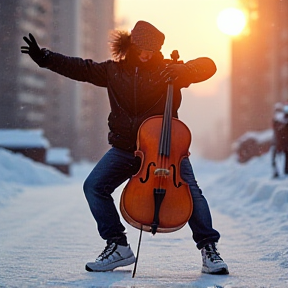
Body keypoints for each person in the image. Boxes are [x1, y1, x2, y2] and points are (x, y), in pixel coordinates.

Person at [21, 20, 229, 275]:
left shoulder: (167, 71)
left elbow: (209, 65)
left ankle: (209, 249)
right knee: (94, 186)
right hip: (125, 148)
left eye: (152, 50)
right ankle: (118, 245)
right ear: (132, 45)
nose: (146, 54)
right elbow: (80, 68)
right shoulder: (113, 71)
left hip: (165, 152)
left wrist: (184, 69)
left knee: (191, 192)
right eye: (142, 48)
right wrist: (45, 57)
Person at [272, 102, 288, 177]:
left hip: (282, 142)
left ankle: (280, 171)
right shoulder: (278, 119)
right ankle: (280, 171)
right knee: (280, 157)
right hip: (281, 142)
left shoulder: (279, 119)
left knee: (279, 157)